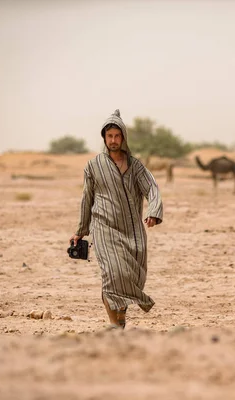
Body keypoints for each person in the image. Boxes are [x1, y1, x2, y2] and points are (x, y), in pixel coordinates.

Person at [70, 109, 163, 329]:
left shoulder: (135, 166)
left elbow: (152, 188)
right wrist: (81, 230)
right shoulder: (94, 166)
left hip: (132, 231)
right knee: (112, 273)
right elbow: (87, 198)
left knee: (130, 277)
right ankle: (114, 325)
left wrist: (153, 211)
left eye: (117, 136)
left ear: (123, 138)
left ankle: (120, 318)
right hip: (104, 228)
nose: (113, 140)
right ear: (104, 138)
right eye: (109, 136)